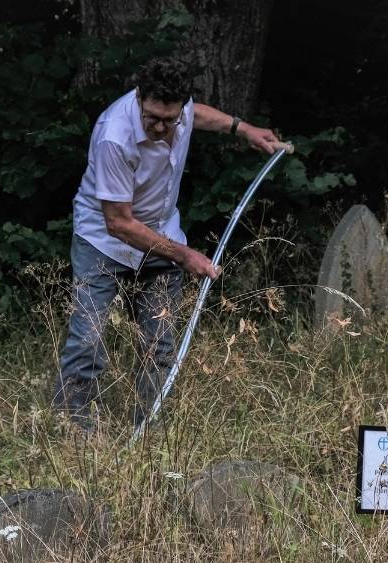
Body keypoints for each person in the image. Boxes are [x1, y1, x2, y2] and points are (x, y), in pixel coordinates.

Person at [53, 57, 281, 431]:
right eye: (153, 118)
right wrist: (185, 255)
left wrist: (243, 129)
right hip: (103, 242)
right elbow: (119, 223)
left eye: (170, 119)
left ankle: (150, 429)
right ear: (139, 98)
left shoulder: (180, 109)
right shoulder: (115, 134)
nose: (161, 127)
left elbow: (200, 115)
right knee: (87, 340)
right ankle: (74, 434)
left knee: (159, 346)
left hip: (161, 235)